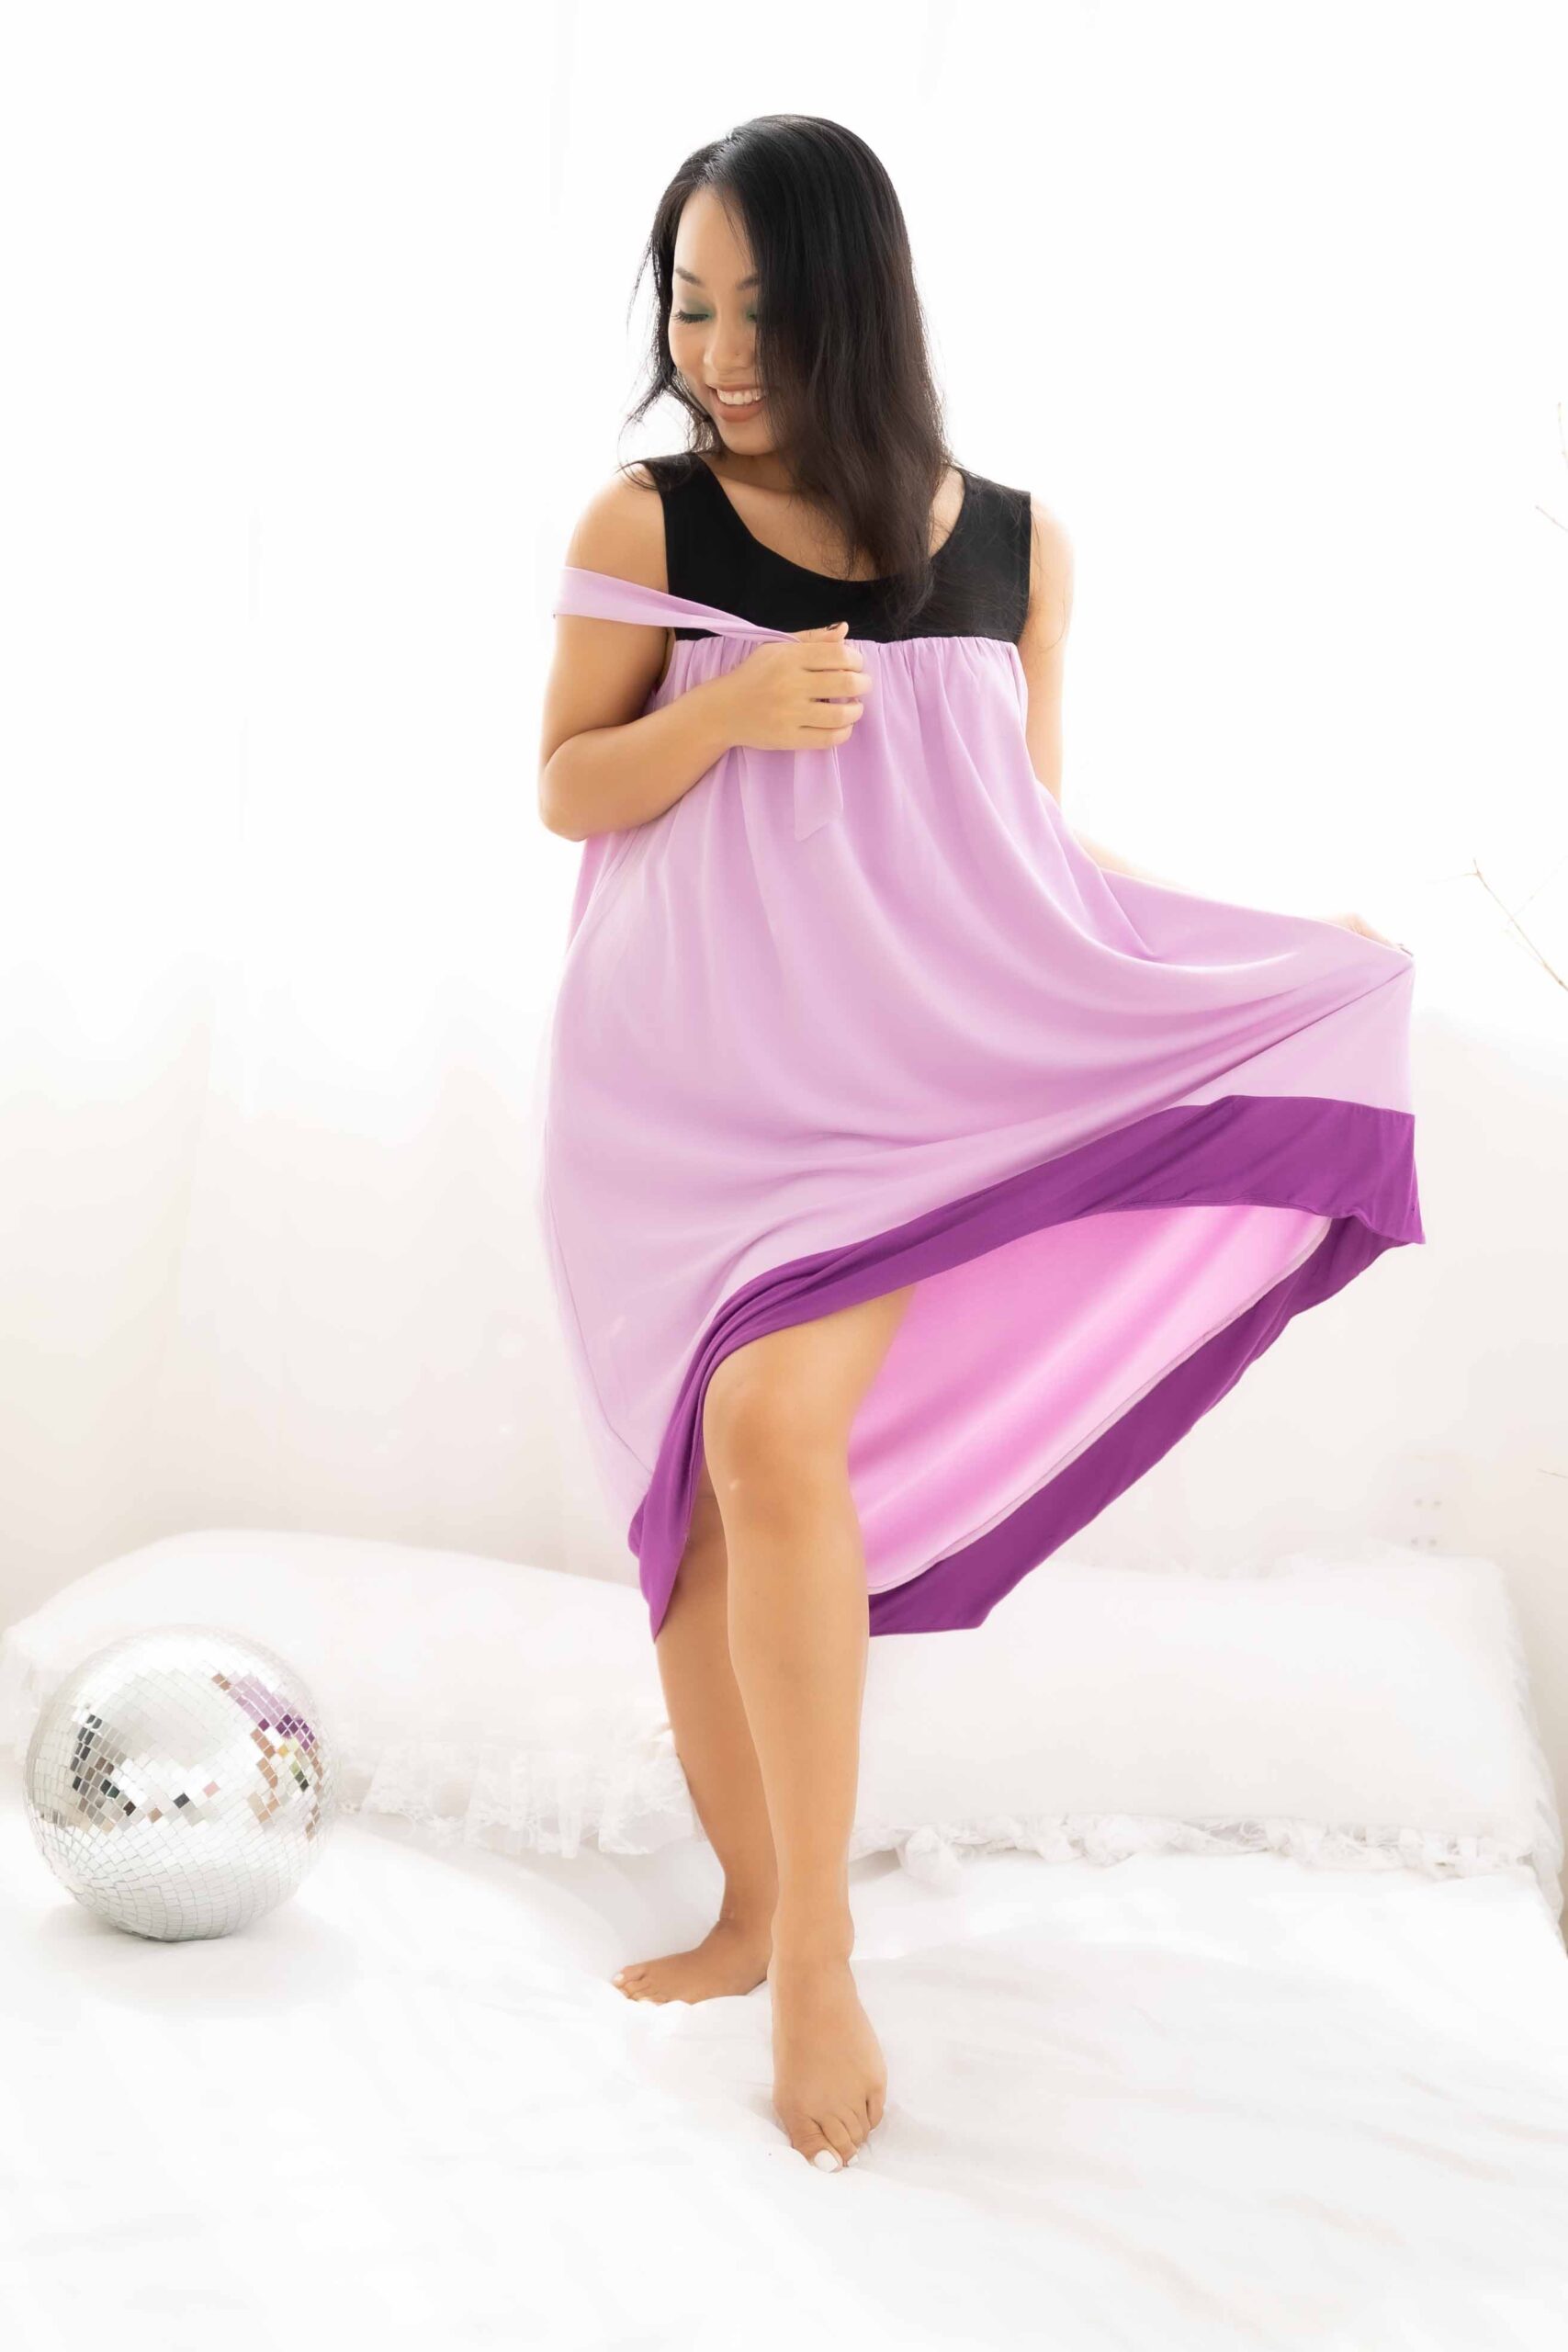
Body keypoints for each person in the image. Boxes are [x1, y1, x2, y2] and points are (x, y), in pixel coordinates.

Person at [534, 116, 1421, 2175]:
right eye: (688, 304)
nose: (715, 351)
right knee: (704, 1490)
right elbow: (567, 781)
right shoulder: (649, 515)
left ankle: (817, 1950)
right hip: (680, 1093)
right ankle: (751, 1906)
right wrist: (718, 719)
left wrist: (1280, 950)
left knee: (772, 1433)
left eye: (759, 308)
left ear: (860, 305)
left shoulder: (1015, 544)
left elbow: (1023, 847)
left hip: (904, 1093)